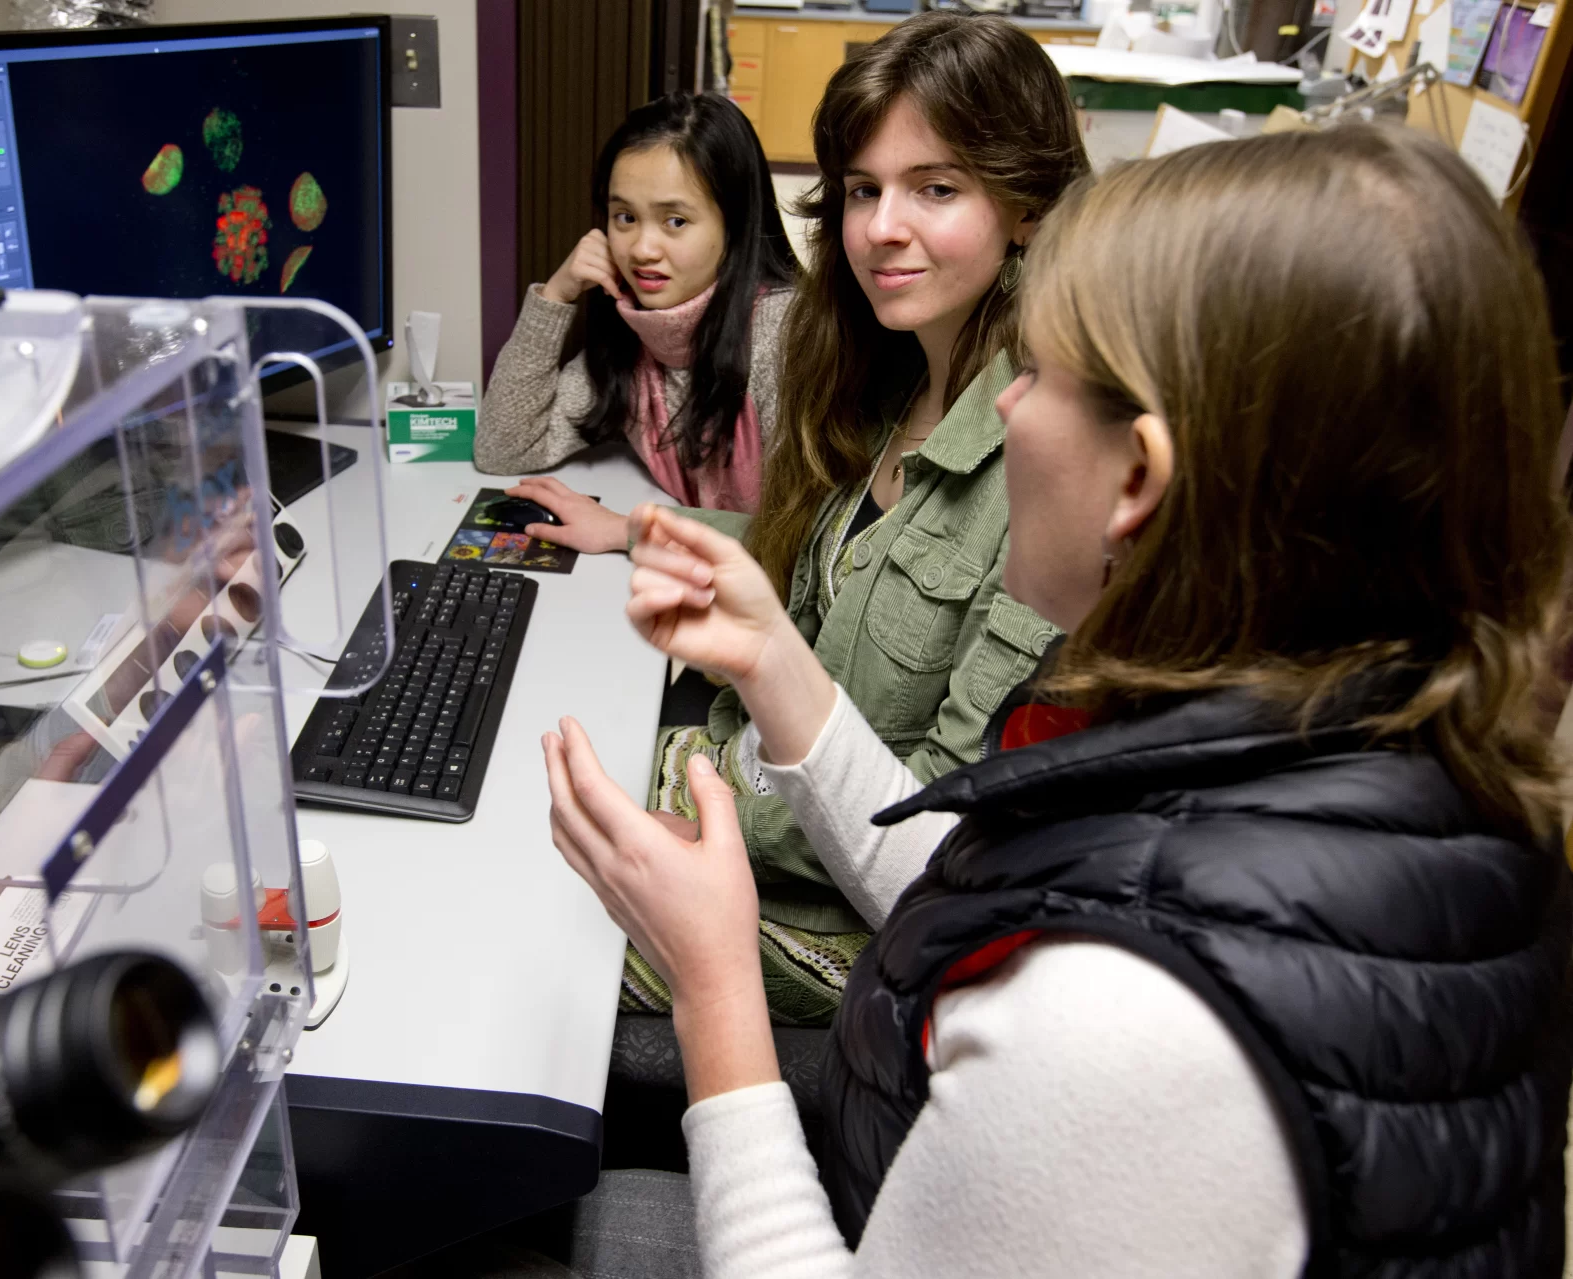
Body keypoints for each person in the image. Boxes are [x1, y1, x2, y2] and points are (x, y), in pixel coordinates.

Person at [544, 124, 1573, 1276]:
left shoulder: (1121, 1029)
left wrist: (716, 984)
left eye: (1026, 373)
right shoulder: (1394, 752)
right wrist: (775, 660)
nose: (1003, 413)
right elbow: (973, 877)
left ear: (1137, 477)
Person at [626, 13, 1088, 1026]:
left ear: (1023, 207)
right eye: (862, 190)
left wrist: (706, 795)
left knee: (531, 921)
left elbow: (938, 834)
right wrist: (632, 531)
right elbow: (819, 583)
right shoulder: (883, 379)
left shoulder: (1047, 460)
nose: (881, 226)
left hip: (838, 917)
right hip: (743, 800)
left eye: (935, 188)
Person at [475, 92, 797, 552]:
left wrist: (629, 529)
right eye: (624, 217)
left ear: (735, 225)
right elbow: (504, 449)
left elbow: (806, 540)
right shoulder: (638, 325)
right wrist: (555, 294)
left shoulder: (783, 331)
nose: (642, 249)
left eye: (675, 221)